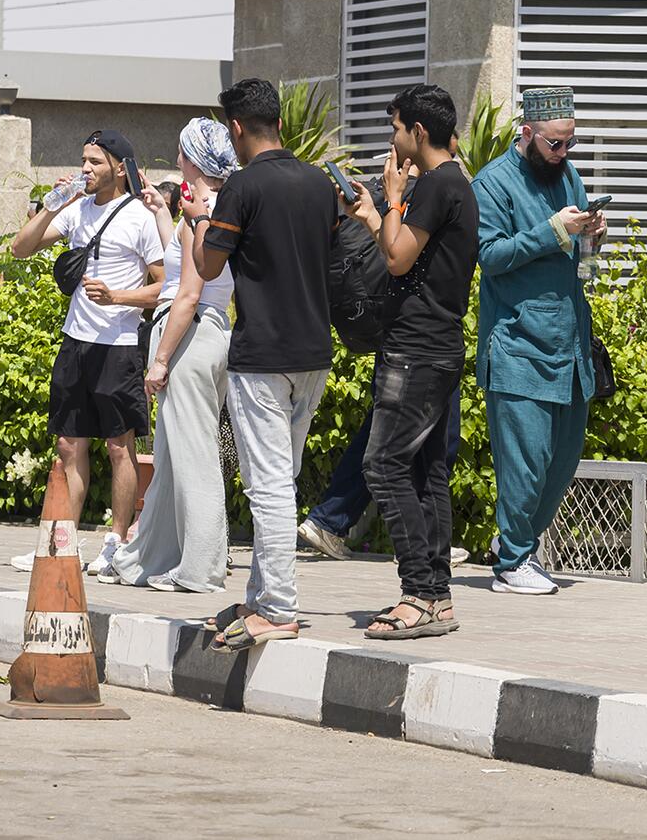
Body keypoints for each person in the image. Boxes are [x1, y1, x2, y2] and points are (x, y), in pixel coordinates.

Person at [195, 79, 340, 650]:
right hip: (314, 355)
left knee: (269, 486)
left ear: (235, 128)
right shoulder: (319, 183)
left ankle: (277, 608)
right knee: (282, 480)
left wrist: (199, 220)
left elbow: (208, 269)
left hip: (261, 357)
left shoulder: (241, 186)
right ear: (277, 121)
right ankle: (260, 596)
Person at [331, 85, 481, 638]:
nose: (392, 140)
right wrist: (376, 214)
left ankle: (418, 591)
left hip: (415, 350)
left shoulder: (435, 185)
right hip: (435, 344)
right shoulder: (454, 183)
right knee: (424, 470)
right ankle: (437, 596)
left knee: (383, 465)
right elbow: (412, 256)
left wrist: (393, 196)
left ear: (419, 132)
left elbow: (395, 262)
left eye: (396, 128)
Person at [9, 130, 167, 576]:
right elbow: (20, 249)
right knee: (67, 443)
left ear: (120, 167)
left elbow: (163, 287)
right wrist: (50, 206)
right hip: (75, 340)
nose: (85, 169)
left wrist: (117, 296)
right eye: (83, 160)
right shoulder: (76, 208)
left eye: (95, 162)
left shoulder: (138, 217)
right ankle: (64, 541)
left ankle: (116, 543)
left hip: (118, 346)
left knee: (120, 446)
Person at [474, 86, 604, 597]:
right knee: (525, 462)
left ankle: (519, 551)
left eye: (570, 143)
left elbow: (584, 267)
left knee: (561, 461)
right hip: (518, 346)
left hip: (569, 345)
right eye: (554, 144)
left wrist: (593, 238)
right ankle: (512, 561)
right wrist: (551, 231)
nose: (563, 154)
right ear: (526, 134)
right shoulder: (493, 183)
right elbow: (488, 256)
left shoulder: (566, 175)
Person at [105, 118, 238, 593]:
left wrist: (159, 360)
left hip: (190, 334)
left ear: (192, 159)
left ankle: (201, 568)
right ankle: (151, 557)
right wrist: (163, 209)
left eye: (181, 151)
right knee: (172, 453)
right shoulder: (215, 207)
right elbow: (182, 256)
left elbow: (187, 293)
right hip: (208, 331)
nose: (175, 158)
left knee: (192, 455)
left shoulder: (202, 213)